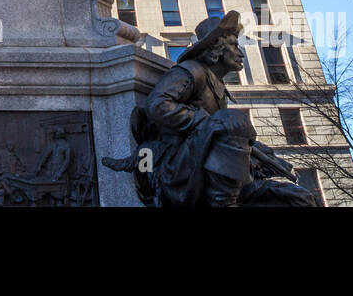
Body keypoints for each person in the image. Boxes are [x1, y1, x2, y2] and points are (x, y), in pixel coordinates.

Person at [105, 11, 316, 207]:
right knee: (232, 121)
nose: (240, 53)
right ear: (216, 49)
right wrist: (206, 122)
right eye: (233, 46)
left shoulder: (216, 83)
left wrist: (263, 154)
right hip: (182, 167)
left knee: (298, 198)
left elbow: (221, 131)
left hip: (217, 165)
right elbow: (157, 105)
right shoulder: (190, 72)